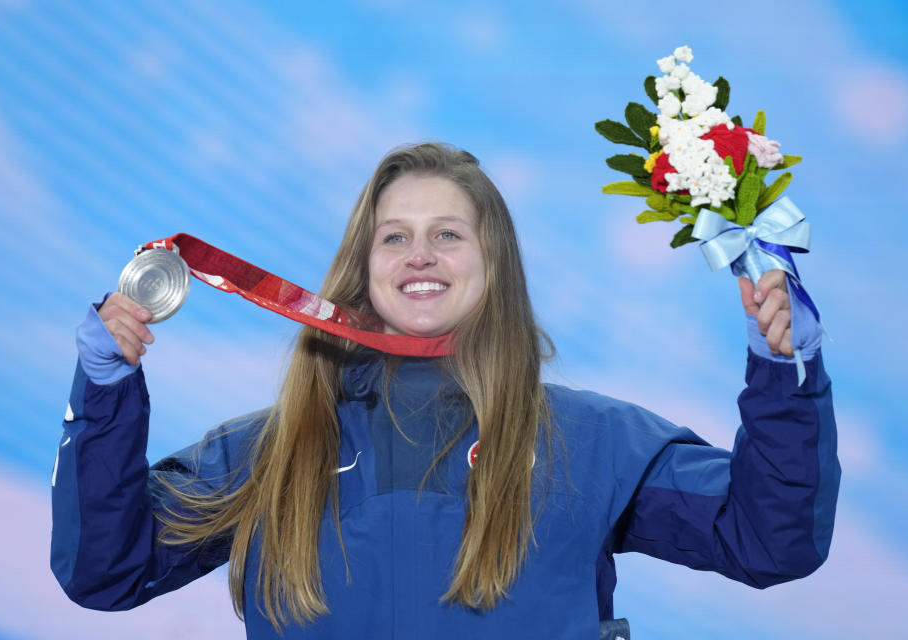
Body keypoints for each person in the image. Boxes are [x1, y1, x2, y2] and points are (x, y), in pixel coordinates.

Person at [51, 142, 839, 640]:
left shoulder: (594, 444)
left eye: (448, 234)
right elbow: (106, 571)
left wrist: (785, 378)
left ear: (492, 265)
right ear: (362, 268)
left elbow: (769, 542)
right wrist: (106, 391)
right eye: (395, 236)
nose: (419, 254)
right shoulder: (269, 453)